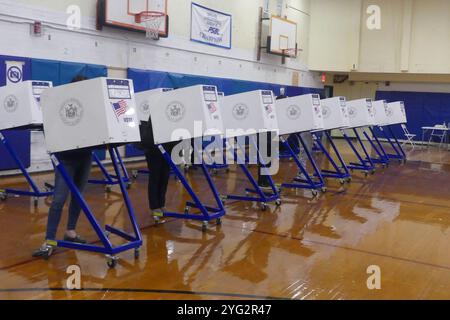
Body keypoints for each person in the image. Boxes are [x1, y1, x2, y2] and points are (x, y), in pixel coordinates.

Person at [33, 75, 93, 259]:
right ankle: (49, 240)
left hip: (85, 156)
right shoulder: (60, 103)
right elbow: (47, 126)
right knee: (59, 199)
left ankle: (70, 232)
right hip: (65, 159)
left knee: (78, 197)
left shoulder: (90, 106)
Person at [139, 113, 177, 219]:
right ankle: (154, 207)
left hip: (168, 148)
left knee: (164, 176)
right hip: (154, 148)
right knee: (155, 176)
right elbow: (151, 134)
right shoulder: (156, 112)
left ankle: (162, 204)